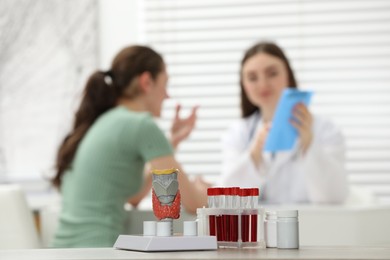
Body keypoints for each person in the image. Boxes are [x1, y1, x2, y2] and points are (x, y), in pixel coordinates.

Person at [51, 45, 208, 248]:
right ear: (146, 82)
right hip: (96, 251)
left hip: (65, 251)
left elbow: (134, 196)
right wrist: (219, 194)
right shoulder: (140, 124)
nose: (167, 96)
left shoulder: (106, 121)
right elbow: (193, 202)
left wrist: (172, 143)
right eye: (165, 84)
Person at [218, 41, 348, 204]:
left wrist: (309, 144)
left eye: (272, 73)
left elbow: (334, 197)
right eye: (252, 78)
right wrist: (255, 154)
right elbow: (226, 200)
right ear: (244, 85)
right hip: (260, 228)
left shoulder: (325, 129)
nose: (263, 84)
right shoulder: (238, 133)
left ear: (288, 75)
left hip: (315, 225)